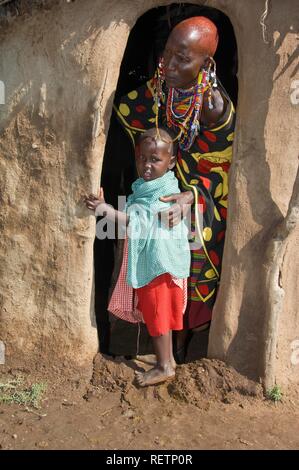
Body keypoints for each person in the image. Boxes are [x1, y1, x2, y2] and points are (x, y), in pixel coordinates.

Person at [114, 16, 236, 363]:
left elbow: (223, 170)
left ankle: (177, 350)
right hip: (160, 191)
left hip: (197, 201)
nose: (168, 64)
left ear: (206, 64)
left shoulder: (214, 109)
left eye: (182, 58)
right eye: (166, 53)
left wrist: (190, 195)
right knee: (146, 255)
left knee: (184, 266)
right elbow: (128, 110)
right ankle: (153, 337)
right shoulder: (160, 87)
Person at [84, 128, 191, 386]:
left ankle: (164, 366)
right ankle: (168, 360)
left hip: (158, 266)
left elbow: (137, 222)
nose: (147, 165)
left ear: (172, 162)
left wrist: (104, 210)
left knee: (157, 316)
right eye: (143, 158)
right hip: (159, 263)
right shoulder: (152, 186)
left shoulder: (163, 194)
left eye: (156, 160)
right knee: (158, 314)